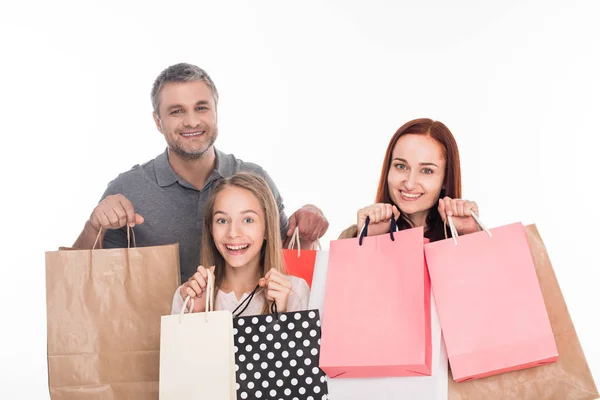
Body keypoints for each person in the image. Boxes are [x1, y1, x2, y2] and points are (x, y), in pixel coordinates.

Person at [72, 63, 328, 282]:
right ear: (157, 121)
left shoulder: (254, 179)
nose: (191, 121)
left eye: (201, 108)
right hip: (156, 338)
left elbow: (286, 265)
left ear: (216, 111)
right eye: (177, 111)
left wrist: (306, 231)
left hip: (245, 335)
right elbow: (78, 280)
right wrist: (94, 227)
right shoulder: (129, 189)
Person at [171, 172, 309, 316]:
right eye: (222, 220)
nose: (233, 233)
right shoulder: (187, 296)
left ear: (268, 228)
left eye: (248, 220)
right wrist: (197, 313)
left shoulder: (295, 292)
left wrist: (282, 313)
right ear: (211, 229)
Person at [341, 118, 481, 241]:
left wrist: (471, 235)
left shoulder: (470, 234)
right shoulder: (353, 236)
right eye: (401, 166)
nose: (410, 183)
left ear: (446, 178)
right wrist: (367, 241)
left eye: (427, 170)